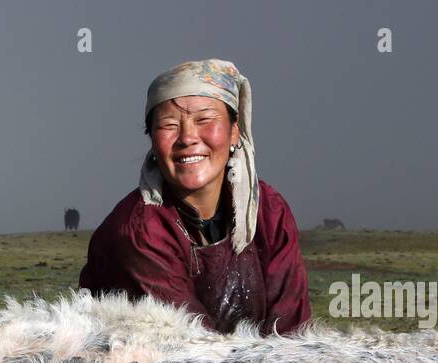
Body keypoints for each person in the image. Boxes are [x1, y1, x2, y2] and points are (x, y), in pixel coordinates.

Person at [79, 59, 310, 335]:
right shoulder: (138, 233)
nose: (188, 137)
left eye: (204, 120)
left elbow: (292, 334)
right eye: (169, 125)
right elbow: (191, 351)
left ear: (234, 131)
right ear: (152, 139)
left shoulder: (270, 213)